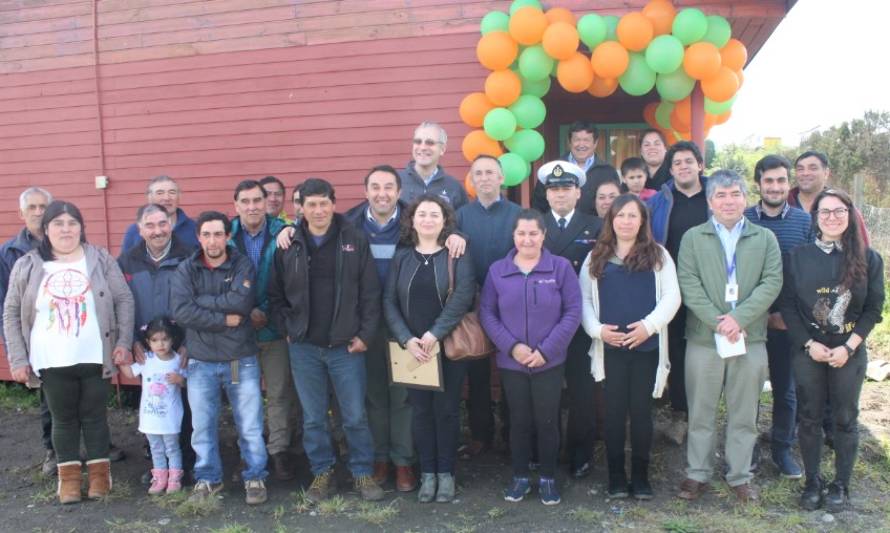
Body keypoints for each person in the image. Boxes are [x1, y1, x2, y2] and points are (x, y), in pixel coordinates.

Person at [3, 200, 134, 504]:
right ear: (45, 230)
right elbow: (11, 312)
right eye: (58, 224)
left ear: (81, 227)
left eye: (72, 223)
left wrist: (123, 342)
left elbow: (124, 300)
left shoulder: (99, 259)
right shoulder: (28, 264)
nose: (66, 229)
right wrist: (18, 358)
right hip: (52, 359)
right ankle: (70, 482)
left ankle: (100, 479)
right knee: (63, 420)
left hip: (93, 356)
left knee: (95, 417)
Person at [267, 178, 384, 502]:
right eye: (311, 204)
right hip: (304, 347)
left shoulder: (354, 239)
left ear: (333, 204)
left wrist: (365, 335)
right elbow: (275, 296)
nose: (318, 210)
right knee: (313, 417)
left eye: (324, 203)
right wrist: (287, 328)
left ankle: (362, 472)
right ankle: (322, 473)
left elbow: (371, 293)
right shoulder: (288, 244)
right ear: (300, 208)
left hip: (346, 347)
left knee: (355, 415)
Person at [675, 170, 783, 503]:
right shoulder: (693, 237)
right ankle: (697, 473)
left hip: (749, 338)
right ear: (710, 201)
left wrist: (739, 318)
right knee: (701, 410)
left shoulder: (764, 238)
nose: (728, 201)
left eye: (735, 193)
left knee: (744, 412)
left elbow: (772, 282)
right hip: (704, 339)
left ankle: (739, 476)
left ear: (745, 198)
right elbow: (688, 284)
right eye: (721, 195)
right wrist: (717, 321)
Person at [780, 189, 884, 512]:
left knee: (845, 418)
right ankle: (813, 481)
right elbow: (787, 305)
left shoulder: (868, 258)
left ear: (850, 215)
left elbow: (874, 308)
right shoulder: (797, 257)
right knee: (809, 417)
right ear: (816, 218)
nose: (832, 217)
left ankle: (841, 484)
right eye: (825, 212)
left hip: (848, 351)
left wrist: (850, 347)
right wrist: (809, 344)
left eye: (839, 211)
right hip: (809, 350)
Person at [580, 194, 681, 499]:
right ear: (611, 220)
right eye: (620, 215)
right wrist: (598, 331)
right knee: (612, 414)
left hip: (645, 348)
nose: (626, 221)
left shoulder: (658, 255)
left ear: (642, 221)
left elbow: (671, 298)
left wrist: (648, 326)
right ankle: (615, 476)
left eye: (633, 216)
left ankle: (640, 476)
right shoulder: (596, 256)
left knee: (640, 413)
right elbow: (582, 299)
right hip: (610, 349)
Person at [480, 209, 582, 506]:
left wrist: (546, 350)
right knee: (520, 421)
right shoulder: (498, 270)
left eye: (533, 233)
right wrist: (512, 347)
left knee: (547, 420)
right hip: (512, 362)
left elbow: (573, 311)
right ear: (513, 236)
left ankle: (548, 477)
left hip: (549, 362)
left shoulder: (560, 268)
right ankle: (521, 476)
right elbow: (487, 312)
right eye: (521, 233)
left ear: (543, 235)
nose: (527, 239)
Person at [170, 211, 268, 506]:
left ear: (228, 236)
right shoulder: (187, 269)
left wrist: (200, 302)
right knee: (202, 424)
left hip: (239, 359)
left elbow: (241, 301)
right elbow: (181, 312)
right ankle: (208, 478)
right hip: (201, 361)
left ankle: (255, 476)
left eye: (218, 234)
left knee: (249, 423)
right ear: (198, 237)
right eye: (206, 234)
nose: (212, 241)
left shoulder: (241, 264)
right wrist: (224, 319)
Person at [383, 195, 476, 503]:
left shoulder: (456, 254)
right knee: (420, 412)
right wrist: (407, 339)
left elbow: (462, 296)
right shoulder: (402, 257)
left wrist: (434, 334)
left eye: (434, 214)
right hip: (413, 350)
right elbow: (388, 302)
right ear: (412, 220)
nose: (427, 219)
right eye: (421, 214)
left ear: (444, 220)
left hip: (445, 346)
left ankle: (446, 473)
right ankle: (428, 474)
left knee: (447, 411)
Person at [345, 165, 418, 491]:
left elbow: (447, 238)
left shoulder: (415, 222)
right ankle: (380, 459)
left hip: (405, 323)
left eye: (389, 187)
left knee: (402, 396)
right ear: (366, 191)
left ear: (399, 192)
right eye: (375, 187)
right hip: (368, 324)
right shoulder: (348, 224)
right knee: (374, 396)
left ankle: (403, 462)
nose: (382, 193)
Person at [743, 155, 812, 479]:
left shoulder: (803, 222)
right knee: (748, 390)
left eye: (781, 180)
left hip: (789, 323)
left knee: (786, 390)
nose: (775, 187)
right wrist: (759, 313)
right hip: (749, 323)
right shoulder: (742, 219)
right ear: (758, 184)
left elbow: (808, 274)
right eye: (768, 181)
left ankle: (782, 449)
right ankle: (749, 449)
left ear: (789, 183)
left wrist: (786, 315)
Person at [118, 203, 197, 485]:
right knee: (154, 404)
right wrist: (130, 341)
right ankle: (157, 465)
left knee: (184, 405)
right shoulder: (126, 261)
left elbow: (197, 300)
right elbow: (121, 304)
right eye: (149, 226)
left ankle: (185, 463)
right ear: (139, 229)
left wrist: (190, 342)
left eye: (162, 224)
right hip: (146, 348)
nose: (157, 230)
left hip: (181, 345)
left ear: (171, 225)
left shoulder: (189, 257)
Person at [228, 179, 300, 482]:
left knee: (280, 392)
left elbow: (290, 282)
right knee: (239, 393)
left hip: (274, 330)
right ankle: (249, 454)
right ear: (236, 205)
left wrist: (267, 312)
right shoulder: (224, 235)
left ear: (267, 202)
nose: (252, 207)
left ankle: (278, 451)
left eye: (257, 200)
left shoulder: (282, 233)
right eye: (245, 201)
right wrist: (246, 312)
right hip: (234, 337)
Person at [536, 160, 603, 479]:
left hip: (581, 323)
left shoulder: (597, 226)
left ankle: (580, 453)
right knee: (544, 392)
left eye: (566, 189)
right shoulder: (535, 225)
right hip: (543, 323)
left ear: (578, 193)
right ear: (546, 195)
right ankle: (544, 451)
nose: (559, 195)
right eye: (554, 189)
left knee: (581, 392)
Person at [453, 155, 522, 458]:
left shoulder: (519, 214)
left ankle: (512, 434)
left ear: (501, 177)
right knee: (477, 371)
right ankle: (481, 435)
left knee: (511, 370)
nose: (484, 178)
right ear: (471, 179)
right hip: (473, 303)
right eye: (478, 173)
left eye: (490, 173)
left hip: (511, 302)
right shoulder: (460, 217)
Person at [647, 141, 711, 437]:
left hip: (711, 287)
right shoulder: (659, 202)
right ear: (670, 170)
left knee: (708, 348)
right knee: (676, 348)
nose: (683, 167)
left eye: (689, 161)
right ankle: (680, 414)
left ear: (700, 164)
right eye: (677, 163)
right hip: (671, 287)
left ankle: (706, 413)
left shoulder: (717, 196)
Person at [0, 186, 54, 475]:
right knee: (49, 399)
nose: (38, 212)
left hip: (70, 334)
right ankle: (52, 451)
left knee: (83, 393)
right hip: (36, 339)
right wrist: (16, 352)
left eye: (43, 206)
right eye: (31, 207)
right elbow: (5, 307)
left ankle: (99, 444)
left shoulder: (69, 243)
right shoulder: (9, 253)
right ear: (20, 213)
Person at [120, 317, 187, 494]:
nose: (161, 344)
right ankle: (159, 477)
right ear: (148, 342)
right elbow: (129, 373)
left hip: (170, 416)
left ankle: (174, 477)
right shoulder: (146, 360)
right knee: (156, 447)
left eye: (165, 339)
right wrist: (121, 360)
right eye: (155, 340)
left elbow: (188, 382)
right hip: (150, 417)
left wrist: (180, 379)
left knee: (172, 447)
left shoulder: (178, 360)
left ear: (173, 339)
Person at [532, 121, 619, 215]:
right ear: (569, 142)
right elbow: (538, 205)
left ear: (595, 143)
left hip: (597, 228)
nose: (581, 144)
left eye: (586, 140)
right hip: (559, 228)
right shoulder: (553, 169)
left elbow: (618, 205)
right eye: (577, 139)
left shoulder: (607, 172)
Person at [790, 151, 869, 246]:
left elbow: (862, 248)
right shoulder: (784, 205)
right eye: (800, 169)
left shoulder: (844, 208)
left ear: (826, 173)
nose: (805, 173)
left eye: (813, 168)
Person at [399, 122, 468, 209]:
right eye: (418, 142)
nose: (423, 147)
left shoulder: (454, 187)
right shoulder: (397, 182)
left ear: (442, 149)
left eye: (430, 143)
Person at [121, 176, 198, 252]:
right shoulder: (135, 231)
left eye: (172, 192)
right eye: (160, 193)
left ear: (179, 196)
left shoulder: (195, 229)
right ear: (149, 197)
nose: (166, 198)